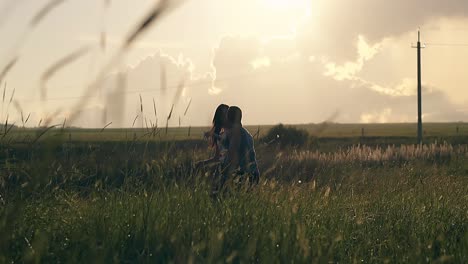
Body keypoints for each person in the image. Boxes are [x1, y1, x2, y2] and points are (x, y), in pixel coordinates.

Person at [221, 106, 260, 186]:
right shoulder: (245, 133)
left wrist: (224, 173)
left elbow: (231, 155)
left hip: (242, 174)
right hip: (253, 173)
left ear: (228, 118)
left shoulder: (235, 133)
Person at [196, 104, 229, 168]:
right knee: (197, 166)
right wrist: (202, 163)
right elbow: (217, 158)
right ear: (219, 117)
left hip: (231, 166)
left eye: (227, 114)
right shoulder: (219, 134)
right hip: (222, 165)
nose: (225, 117)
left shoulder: (234, 132)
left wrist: (214, 135)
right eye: (223, 114)